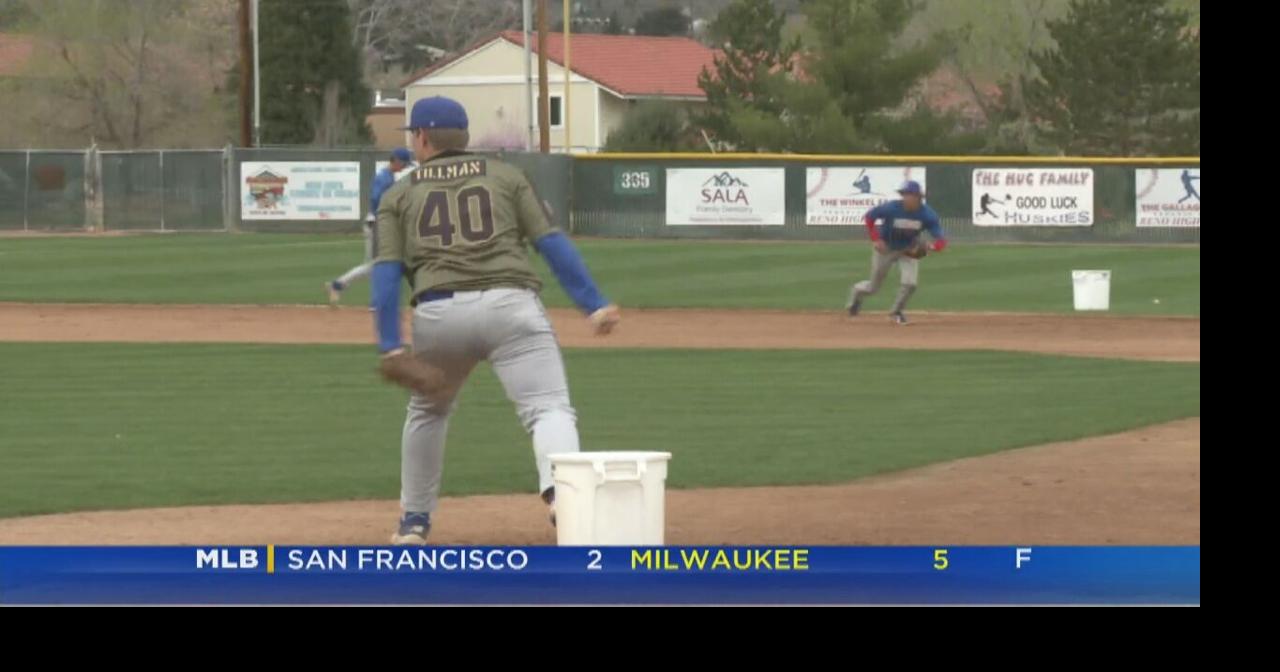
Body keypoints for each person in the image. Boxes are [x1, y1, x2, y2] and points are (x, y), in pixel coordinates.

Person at [370, 96, 621, 545]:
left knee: (428, 411)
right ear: (464, 137)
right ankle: (564, 497)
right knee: (547, 408)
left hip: (439, 312)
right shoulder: (506, 176)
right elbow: (550, 242)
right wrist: (594, 303)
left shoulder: (398, 194)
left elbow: (387, 272)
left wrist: (389, 342)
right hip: (512, 307)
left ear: (421, 138)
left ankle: (414, 522)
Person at [846, 180, 947, 325]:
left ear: (918, 197)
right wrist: (875, 239)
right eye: (903, 194)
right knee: (873, 287)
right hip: (886, 249)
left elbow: (941, 240)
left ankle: (896, 312)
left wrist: (931, 247)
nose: (905, 197)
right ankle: (856, 295)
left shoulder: (927, 215)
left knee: (910, 283)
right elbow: (870, 216)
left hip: (908, 250)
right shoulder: (892, 208)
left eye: (909, 194)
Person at [326, 147, 414, 305]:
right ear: (396, 161)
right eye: (404, 164)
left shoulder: (388, 176)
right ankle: (340, 286)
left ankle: (338, 285)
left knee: (377, 265)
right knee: (376, 265)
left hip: (379, 224)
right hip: (376, 224)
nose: (405, 167)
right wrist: (382, 217)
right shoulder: (384, 178)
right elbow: (375, 199)